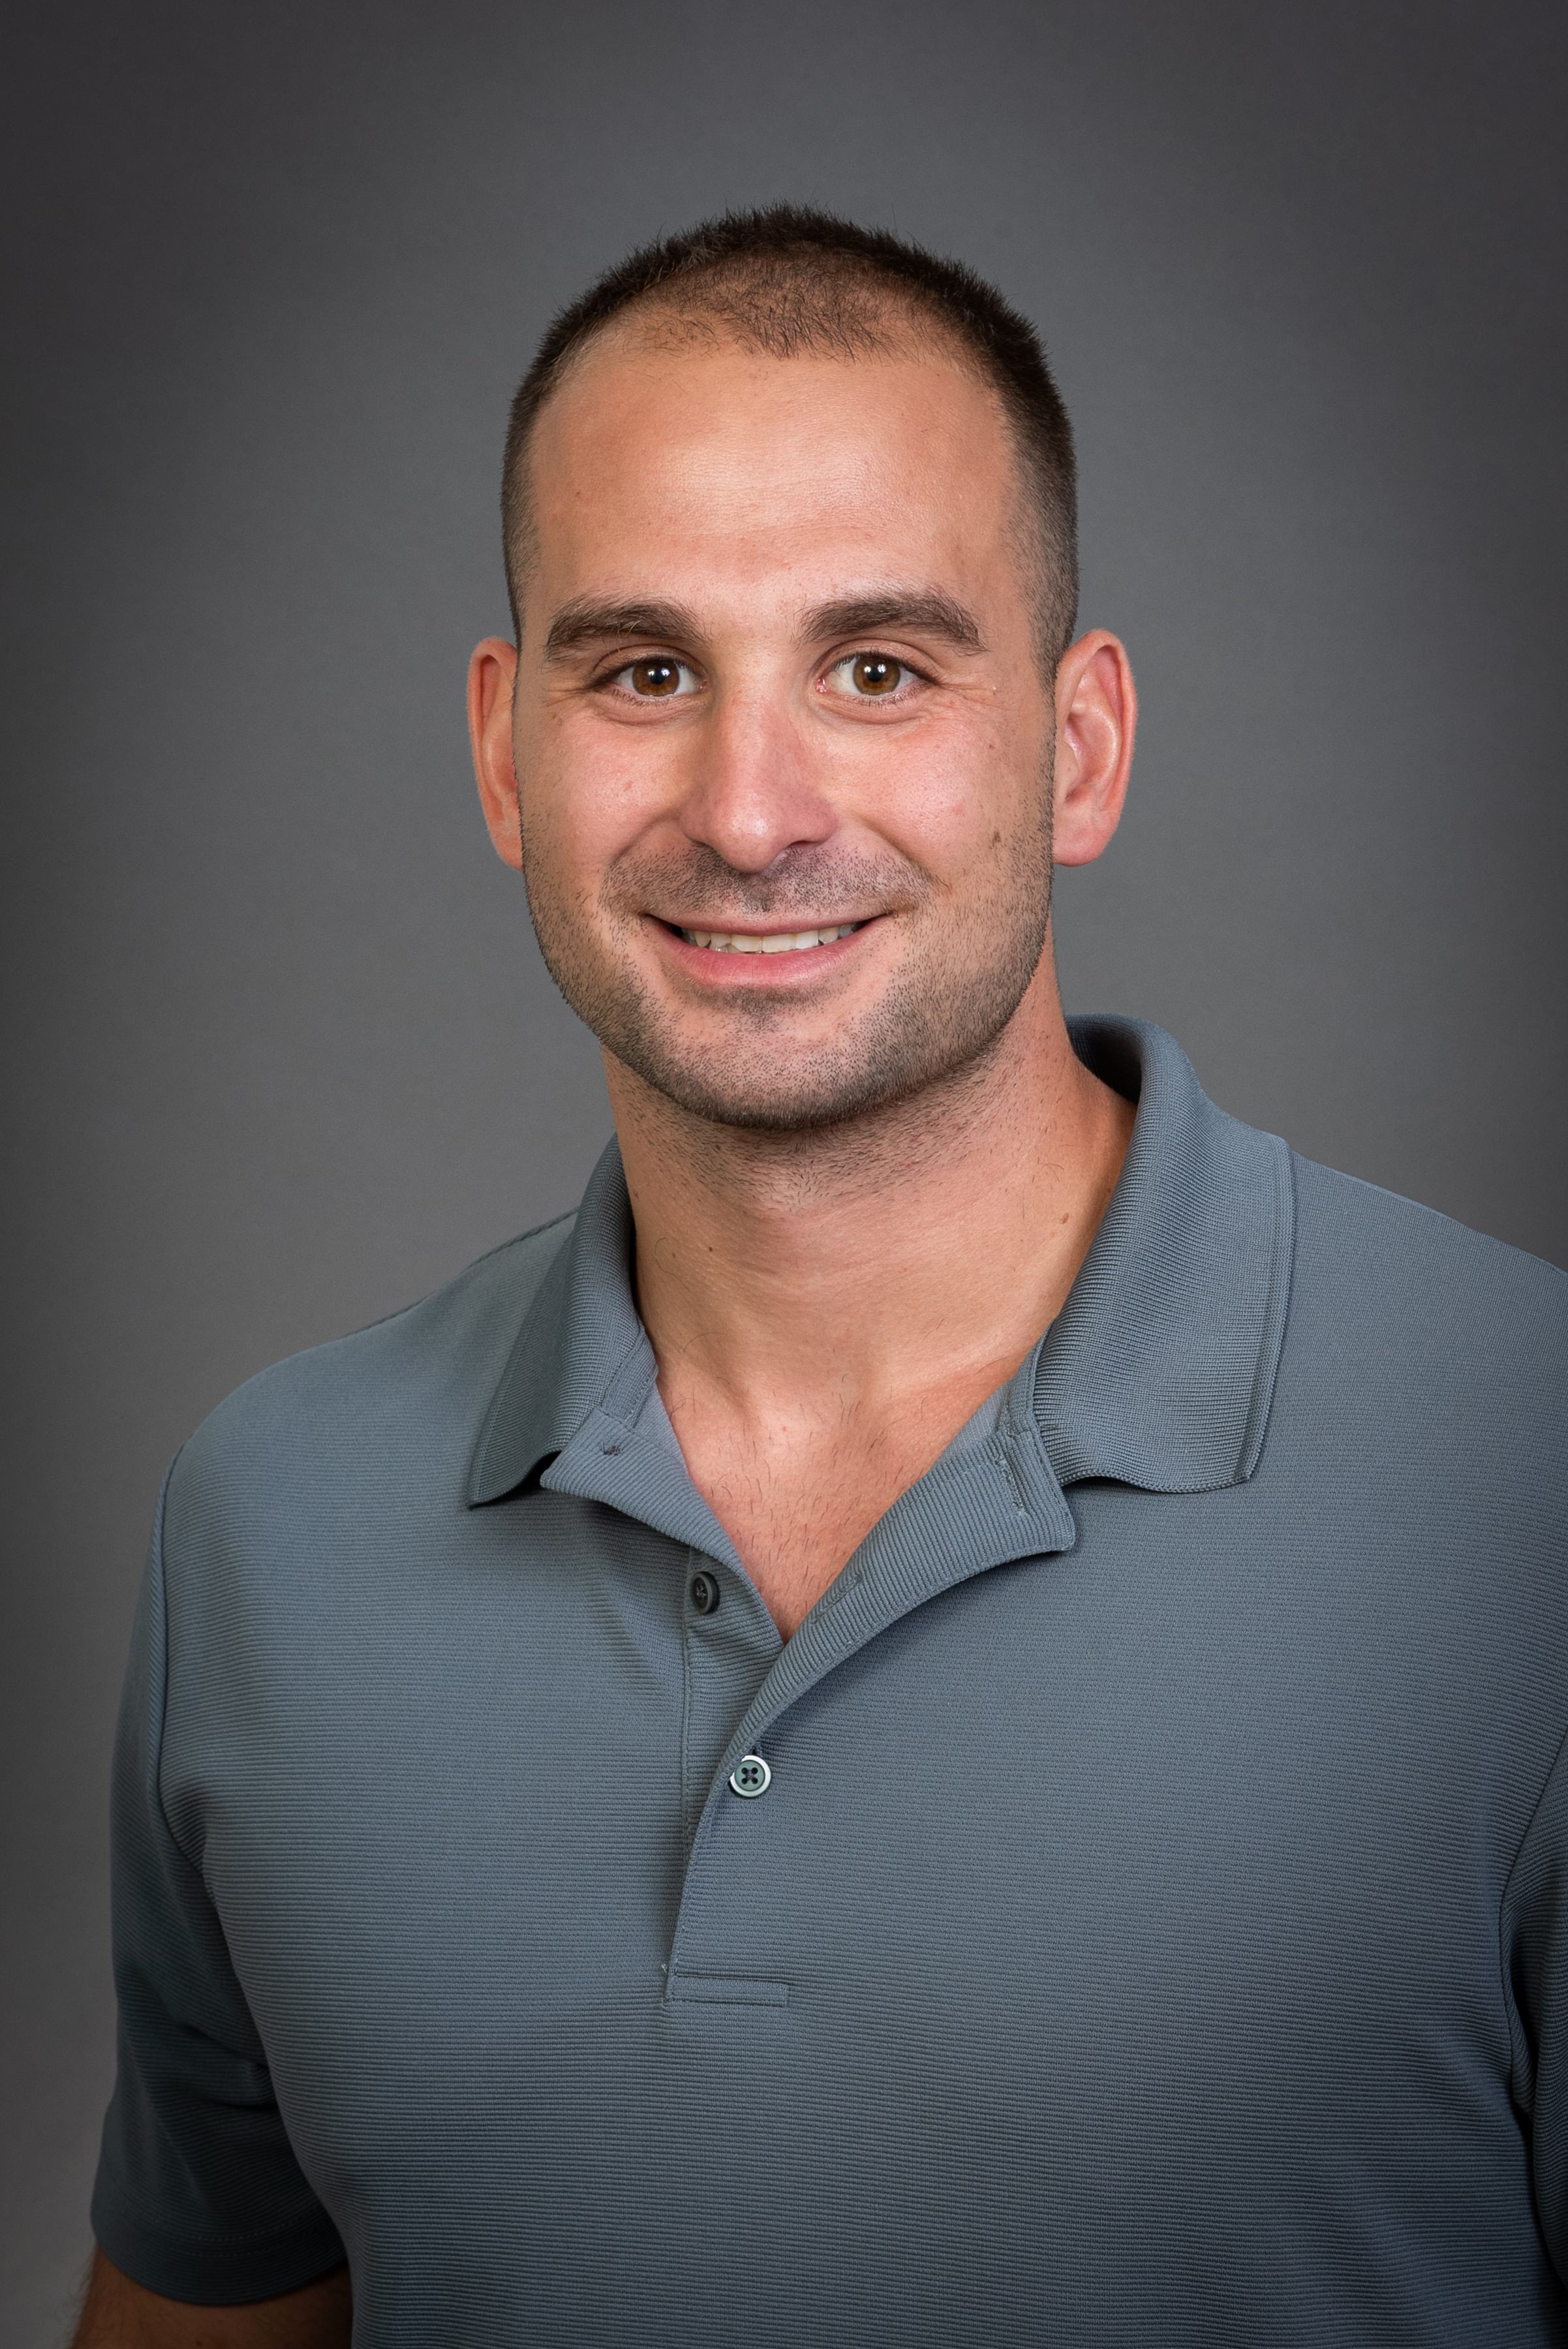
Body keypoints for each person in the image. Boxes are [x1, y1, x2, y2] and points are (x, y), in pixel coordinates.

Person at [76, 207, 1568, 2348]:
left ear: (1075, 747)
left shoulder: (1522, 1474)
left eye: (877, 669)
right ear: (506, 751)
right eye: (645, 670)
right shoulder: (268, 1520)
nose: (751, 811)